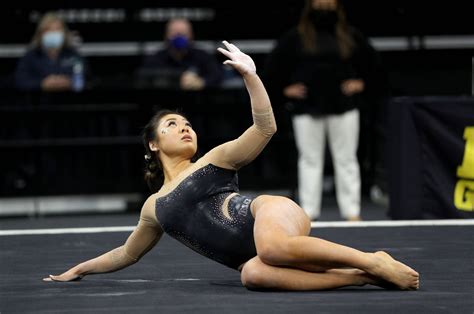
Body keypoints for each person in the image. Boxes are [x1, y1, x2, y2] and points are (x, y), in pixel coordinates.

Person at [43, 41, 419, 291]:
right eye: (172, 125)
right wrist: (80, 268)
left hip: (270, 215)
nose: (185, 127)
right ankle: (359, 275)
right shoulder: (153, 208)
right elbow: (127, 253)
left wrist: (250, 77)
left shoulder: (214, 159)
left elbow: (265, 127)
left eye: (187, 123)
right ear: (153, 145)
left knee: (270, 248)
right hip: (258, 256)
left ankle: (371, 259)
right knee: (253, 274)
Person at [263, 0, 386, 221]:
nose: (324, 6)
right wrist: (284, 90)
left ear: (338, 6)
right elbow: (273, 68)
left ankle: (351, 212)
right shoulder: (296, 37)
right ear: (310, 6)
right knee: (310, 159)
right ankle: (309, 211)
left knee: (346, 159)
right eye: (319, 2)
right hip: (307, 106)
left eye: (329, 2)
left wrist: (362, 84)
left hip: (344, 106)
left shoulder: (349, 35)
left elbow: (375, 66)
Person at [136, 17, 223, 90]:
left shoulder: (203, 56)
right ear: (166, 36)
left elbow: (217, 75)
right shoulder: (155, 58)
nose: (179, 37)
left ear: (191, 36)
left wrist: (202, 82)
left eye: (183, 33)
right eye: (174, 33)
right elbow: (143, 76)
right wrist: (176, 78)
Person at [14, 12, 87, 92]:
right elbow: (20, 81)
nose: (53, 33)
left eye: (57, 29)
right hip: (39, 101)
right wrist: (42, 83)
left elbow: (87, 78)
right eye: (48, 30)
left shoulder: (73, 55)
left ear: (64, 33)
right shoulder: (30, 57)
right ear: (40, 34)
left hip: (70, 101)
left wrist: (69, 81)